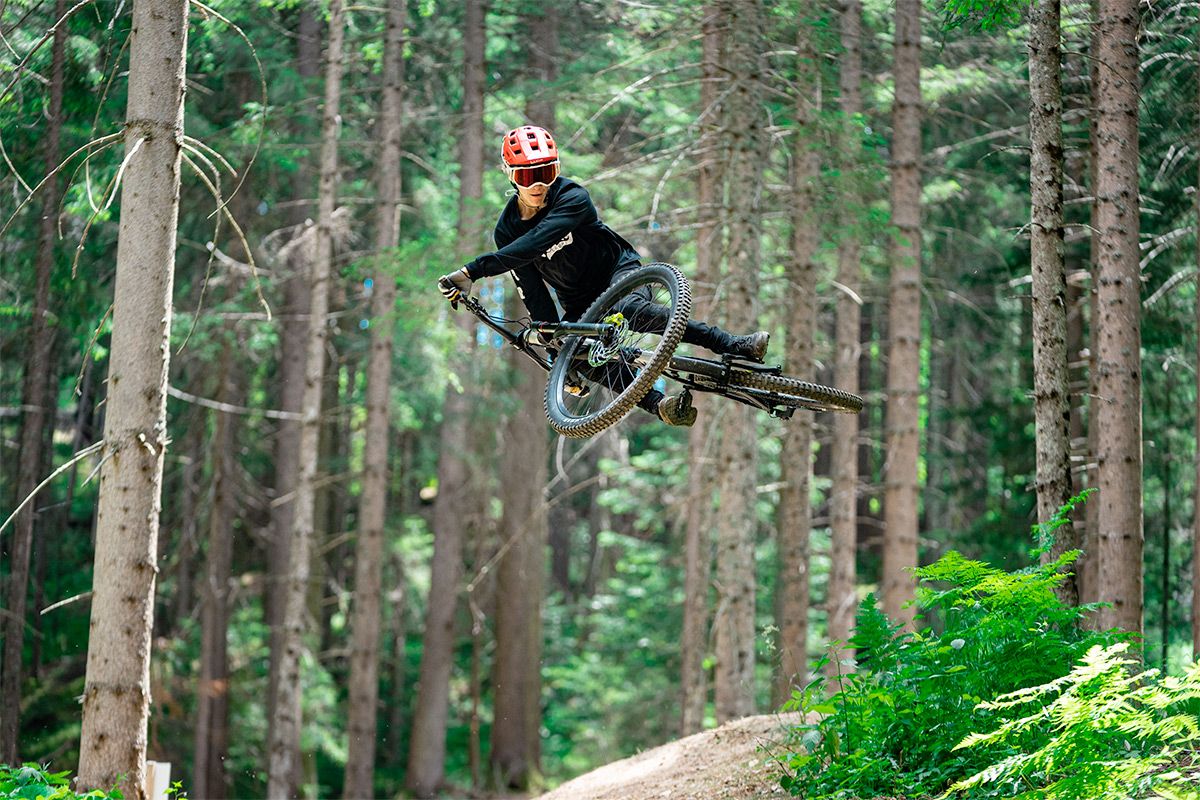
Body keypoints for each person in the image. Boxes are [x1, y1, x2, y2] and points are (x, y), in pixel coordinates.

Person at [439, 124, 769, 427]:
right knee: (575, 352)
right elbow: (534, 293)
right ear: (510, 176)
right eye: (528, 177)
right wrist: (560, 358)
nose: (538, 185)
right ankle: (661, 405)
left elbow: (533, 244)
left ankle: (735, 343)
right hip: (580, 301)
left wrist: (474, 270)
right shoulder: (506, 231)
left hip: (619, 273)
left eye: (546, 172)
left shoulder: (572, 198)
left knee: (631, 311)